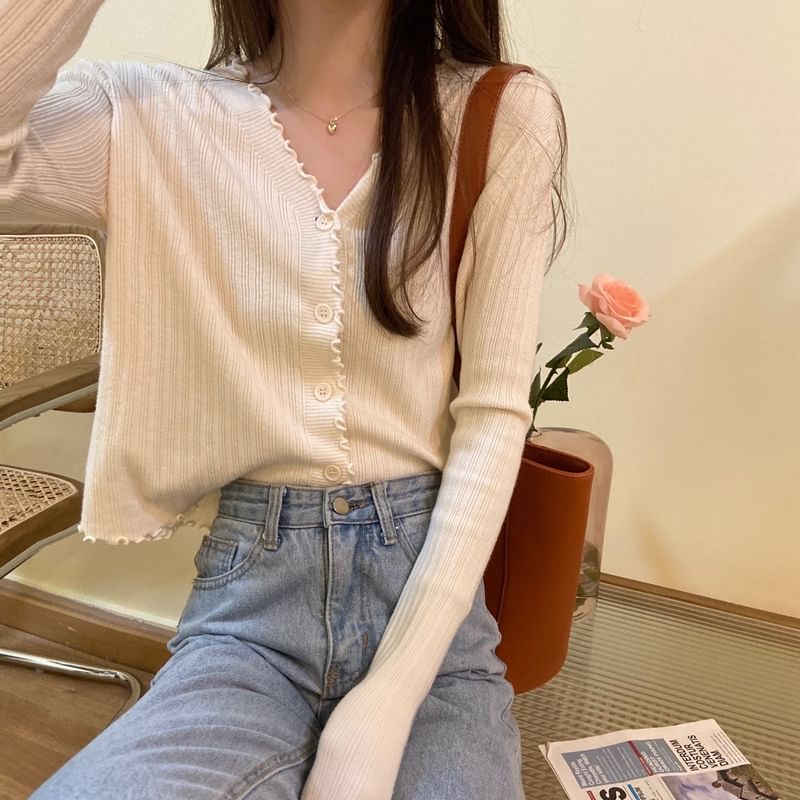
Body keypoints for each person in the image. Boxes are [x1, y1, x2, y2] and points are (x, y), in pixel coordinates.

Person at [1, 0, 568, 797]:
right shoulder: (145, 117)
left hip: (436, 634)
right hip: (249, 626)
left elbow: (494, 412)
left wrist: (387, 701)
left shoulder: (499, 112)